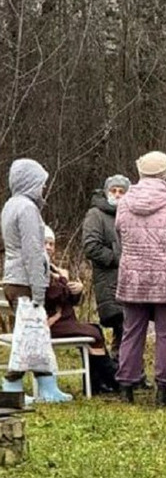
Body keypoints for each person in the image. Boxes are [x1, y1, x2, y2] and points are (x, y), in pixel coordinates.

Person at [115, 151, 166, 406]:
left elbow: (120, 234)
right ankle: (163, 388)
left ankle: (126, 385)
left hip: (133, 276)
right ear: (165, 172)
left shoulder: (125, 202)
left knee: (132, 332)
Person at [0, 158, 71, 402]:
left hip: (14, 278)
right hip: (25, 281)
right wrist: (40, 289)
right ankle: (12, 386)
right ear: (30, 182)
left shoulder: (10, 205)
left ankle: (47, 384)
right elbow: (32, 250)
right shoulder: (27, 209)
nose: (43, 189)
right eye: (41, 183)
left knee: (35, 335)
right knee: (28, 336)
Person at [43, 227, 118, 395]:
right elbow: (52, 296)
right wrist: (64, 279)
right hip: (51, 323)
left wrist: (78, 290)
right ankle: (113, 379)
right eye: (44, 243)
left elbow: (69, 300)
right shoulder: (40, 269)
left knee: (95, 329)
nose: (48, 247)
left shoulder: (53, 269)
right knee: (95, 334)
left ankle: (96, 384)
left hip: (64, 320)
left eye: (51, 244)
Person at [82, 174, 130, 360]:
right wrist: (118, 258)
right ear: (106, 192)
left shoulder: (130, 214)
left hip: (130, 281)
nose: (117, 195)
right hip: (109, 280)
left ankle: (126, 371)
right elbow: (91, 246)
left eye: (121, 191)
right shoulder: (96, 214)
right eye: (113, 190)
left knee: (129, 328)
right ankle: (124, 371)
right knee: (122, 324)